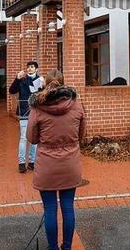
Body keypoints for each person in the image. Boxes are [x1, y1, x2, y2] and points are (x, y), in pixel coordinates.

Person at [26, 70, 85, 250]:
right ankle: (66, 247)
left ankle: (53, 248)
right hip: (70, 163)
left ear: (46, 84)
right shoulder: (76, 104)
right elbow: (82, 134)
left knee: (50, 209)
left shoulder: (38, 107)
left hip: (47, 164)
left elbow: (32, 137)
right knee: (68, 208)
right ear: (64, 83)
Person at [8, 61, 43, 173]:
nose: (29, 69)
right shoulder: (22, 80)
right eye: (28, 67)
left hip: (36, 112)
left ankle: (32, 162)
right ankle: (21, 162)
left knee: (34, 138)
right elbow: (12, 91)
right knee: (23, 137)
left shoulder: (40, 80)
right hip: (24, 111)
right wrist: (17, 79)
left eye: (32, 67)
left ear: (36, 69)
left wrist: (43, 86)